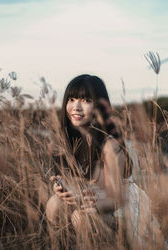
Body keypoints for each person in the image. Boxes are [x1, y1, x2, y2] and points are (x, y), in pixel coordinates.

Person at [45, 74, 130, 246]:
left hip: (118, 212)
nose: (76, 107)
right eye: (71, 99)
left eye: (85, 100)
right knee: (54, 204)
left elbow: (117, 201)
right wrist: (63, 188)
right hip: (88, 205)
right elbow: (75, 181)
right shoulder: (68, 140)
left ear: (99, 104)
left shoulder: (110, 146)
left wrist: (81, 202)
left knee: (81, 217)